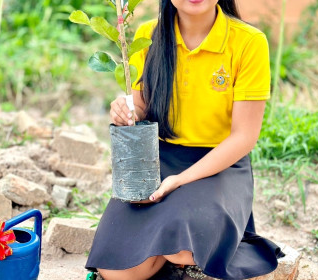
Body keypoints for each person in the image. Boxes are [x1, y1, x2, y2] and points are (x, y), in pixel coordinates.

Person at [85, 0, 284, 279]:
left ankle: (178, 249)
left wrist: (180, 180)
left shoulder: (249, 42)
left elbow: (244, 137)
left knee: (184, 249)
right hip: (158, 160)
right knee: (116, 271)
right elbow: (141, 104)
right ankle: (164, 248)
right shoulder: (148, 36)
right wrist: (126, 109)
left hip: (220, 164)